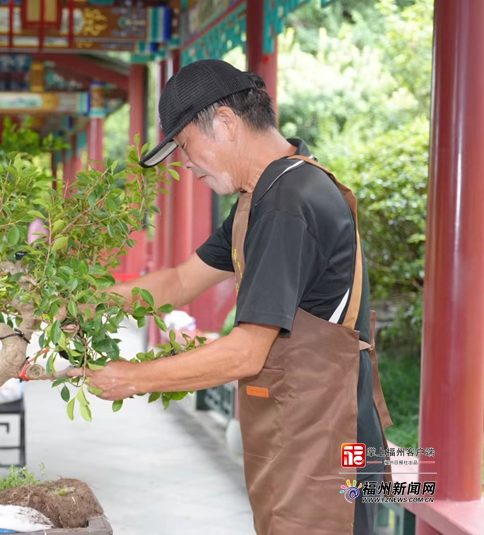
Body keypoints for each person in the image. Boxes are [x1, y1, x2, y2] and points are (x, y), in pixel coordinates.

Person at [67, 59, 393, 535]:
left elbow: (246, 351)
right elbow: (179, 282)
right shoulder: (261, 196)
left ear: (224, 122)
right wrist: (85, 305)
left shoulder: (288, 201)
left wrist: (133, 378)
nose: (186, 164)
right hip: (308, 435)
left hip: (328, 446)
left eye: (184, 146)